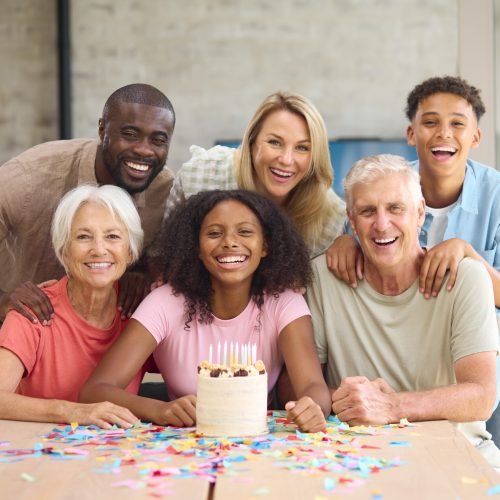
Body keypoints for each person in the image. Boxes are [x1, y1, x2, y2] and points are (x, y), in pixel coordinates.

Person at [326, 75, 500, 441]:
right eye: (430, 122)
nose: (443, 133)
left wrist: (468, 253)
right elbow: (368, 227)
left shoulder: (495, 196)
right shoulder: (388, 180)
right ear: (411, 133)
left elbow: (481, 391)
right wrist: (343, 240)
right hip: (417, 357)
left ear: (476, 137)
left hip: (478, 355)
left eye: (457, 123)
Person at [80, 189, 331, 432]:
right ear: (196, 248)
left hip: (258, 447)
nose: (230, 243)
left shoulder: (284, 302)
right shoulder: (164, 302)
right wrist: (159, 410)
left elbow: (312, 385)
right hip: (181, 448)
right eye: (214, 233)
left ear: (265, 245)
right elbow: (95, 390)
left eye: (245, 232)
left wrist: (313, 407)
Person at [308, 154, 500, 467]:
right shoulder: (323, 278)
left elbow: (481, 397)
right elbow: (296, 382)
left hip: (460, 456)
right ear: (351, 221)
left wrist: (392, 406)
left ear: (420, 213)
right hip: (357, 460)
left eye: (395, 208)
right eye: (368, 211)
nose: (382, 224)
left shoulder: (467, 278)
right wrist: (347, 402)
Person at [0, 83, 176, 325]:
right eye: (130, 135)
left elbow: (161, 254)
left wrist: (141, 272)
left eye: (158, 140)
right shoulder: (32, 176)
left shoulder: (164, 188)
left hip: (98, 330)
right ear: (102, 130)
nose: (144, 150)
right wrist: (3, 300)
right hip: (17, 322)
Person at [0, 185, 144, 428]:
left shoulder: (142, 313)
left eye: (112, 236)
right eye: (83, 237)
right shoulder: (33, 310)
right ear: (64, 251)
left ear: (129, 251)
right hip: (39, 455)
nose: (99, 250)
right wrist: (73, 411)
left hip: (120, 458)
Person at [160, 91, 345, 258]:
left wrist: (348, 244)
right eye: (275, 142)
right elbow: (163, 254)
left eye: (302, 148)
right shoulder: (200, 176)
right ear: (251, 142)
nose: (287, 160)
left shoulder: (329, 217)